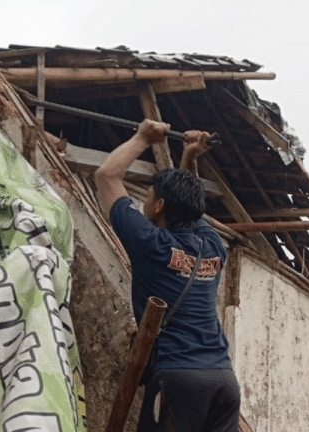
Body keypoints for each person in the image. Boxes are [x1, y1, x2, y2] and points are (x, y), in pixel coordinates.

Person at [95, 120, 239, 432]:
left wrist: (142, 138)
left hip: (177, 379)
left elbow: (107, 175)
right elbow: (192, 210)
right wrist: (190, 157)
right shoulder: (213, 249)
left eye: (147, 197)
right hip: (223, 382)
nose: (143, 203)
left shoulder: (151, 244)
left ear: (159, 205)